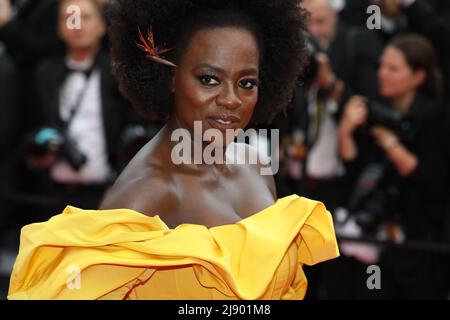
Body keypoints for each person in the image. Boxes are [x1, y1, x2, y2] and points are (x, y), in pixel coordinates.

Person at [8, 0, 339, 300]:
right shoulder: (145, 193)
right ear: (168, 77)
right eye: (209, 79)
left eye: (246, 83)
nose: (231, 100)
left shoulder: (254, 163)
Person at [338, 34, 448, 299]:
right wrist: (345, 131)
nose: (382, 74)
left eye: (393, 68)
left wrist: (391, 145)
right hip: (377, 243)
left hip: (421, 245)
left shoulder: (435, 118)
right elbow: (354, 168)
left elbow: (431, 180)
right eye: (381, 66)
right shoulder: (379, 111)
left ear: (418, 76)